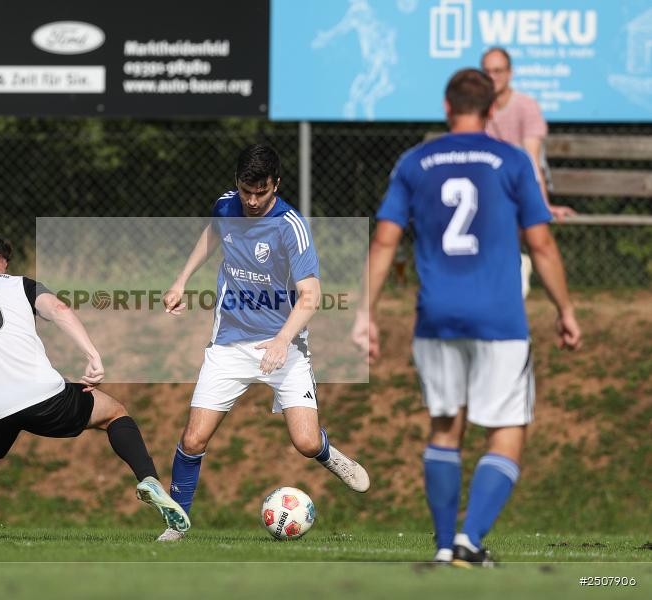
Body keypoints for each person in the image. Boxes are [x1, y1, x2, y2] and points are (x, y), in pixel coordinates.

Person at [352, 69, 582, 566]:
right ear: (493, 109)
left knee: (443, 427)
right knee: (507, 430)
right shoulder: (512, 160)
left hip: (436, 316)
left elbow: (384, 241)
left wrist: (364, 314)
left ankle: (441, 547)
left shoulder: (415, 161)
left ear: (446, 106)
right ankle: (469, 542)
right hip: (499, 318)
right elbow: (540, 243)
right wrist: (565, 310)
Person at [0, 231, 189, 540]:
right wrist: (92, 355)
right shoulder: (19, 284)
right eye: (4, 264)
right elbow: (59, 310)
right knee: (114, 413)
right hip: (42, 397)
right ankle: (149, 480)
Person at [156, 144, 370, 542]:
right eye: (246, 191)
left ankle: (328, 453)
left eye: (262, 192)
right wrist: (181, 280)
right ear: (236, 183)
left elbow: (311, 295)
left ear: (277, 185)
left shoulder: (291, 225)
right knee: (193, 438)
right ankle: (177, 523)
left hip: (284, 344)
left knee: (304, 442)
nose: (253, 201)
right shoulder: (226, 206)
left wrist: (282, 340)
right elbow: (211, 234)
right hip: (229, 343)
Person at [481, 47, 575, 222]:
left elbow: (532, 161)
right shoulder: (477, 108)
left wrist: (543, 206)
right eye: (487, 71)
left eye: (498, 71)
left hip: (520, 185)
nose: (492, 77)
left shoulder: (527, 105)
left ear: (510, 73)